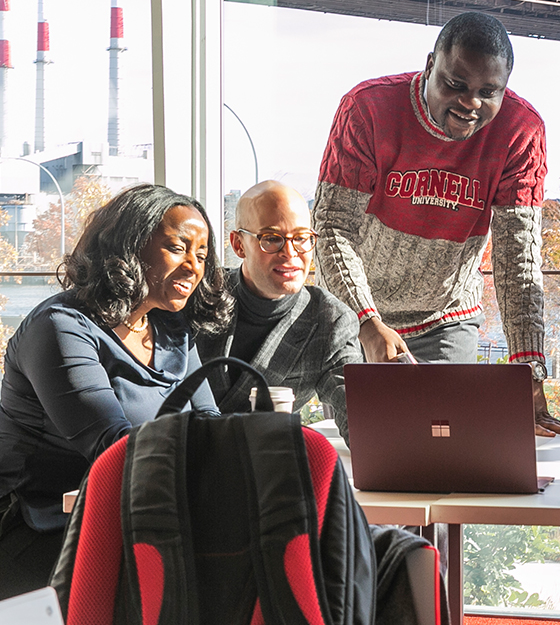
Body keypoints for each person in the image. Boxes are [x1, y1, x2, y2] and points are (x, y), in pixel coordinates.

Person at [314, 10, 560, 438]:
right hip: (359, 313)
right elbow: (331, 226)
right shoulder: (368, 108)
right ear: (429, 66)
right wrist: (365, 320)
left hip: (445, 316)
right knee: (372, 442)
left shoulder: (520, 131)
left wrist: (529, 364)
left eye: (488, 91)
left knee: (444, 444)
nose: (471, 103)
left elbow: (518, 259)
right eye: (455, 85)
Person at [0, 184, 232, 600]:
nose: (193, 267)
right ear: (128, 246)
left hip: (134, 518)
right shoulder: (60, 326)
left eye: (201, 255)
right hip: (44, 528)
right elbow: (115, 448)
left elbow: (210, 425)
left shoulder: (171, 328)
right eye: (177, 248)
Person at [196, 180, 362, 440]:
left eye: (301, 238)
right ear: (238, 244)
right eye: (272, 239)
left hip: (264, 465)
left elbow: (358, 415)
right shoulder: (201, 295)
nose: (290, 253)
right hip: (182, 459)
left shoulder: (329, 321)